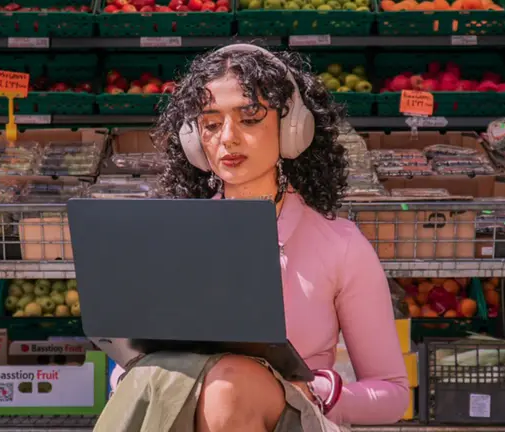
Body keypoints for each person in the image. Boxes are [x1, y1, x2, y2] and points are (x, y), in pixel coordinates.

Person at [94, 44, 409, 432]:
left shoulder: (341, 246)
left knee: (229, 385)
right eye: (210, 123)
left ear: (293, 127)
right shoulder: (172, 240)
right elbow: (128, 371)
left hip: (296, 419)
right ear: (194, 140)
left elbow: (392, 395)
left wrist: (319, 390)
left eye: (250, 118)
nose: (228, 138)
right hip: (180, 409)